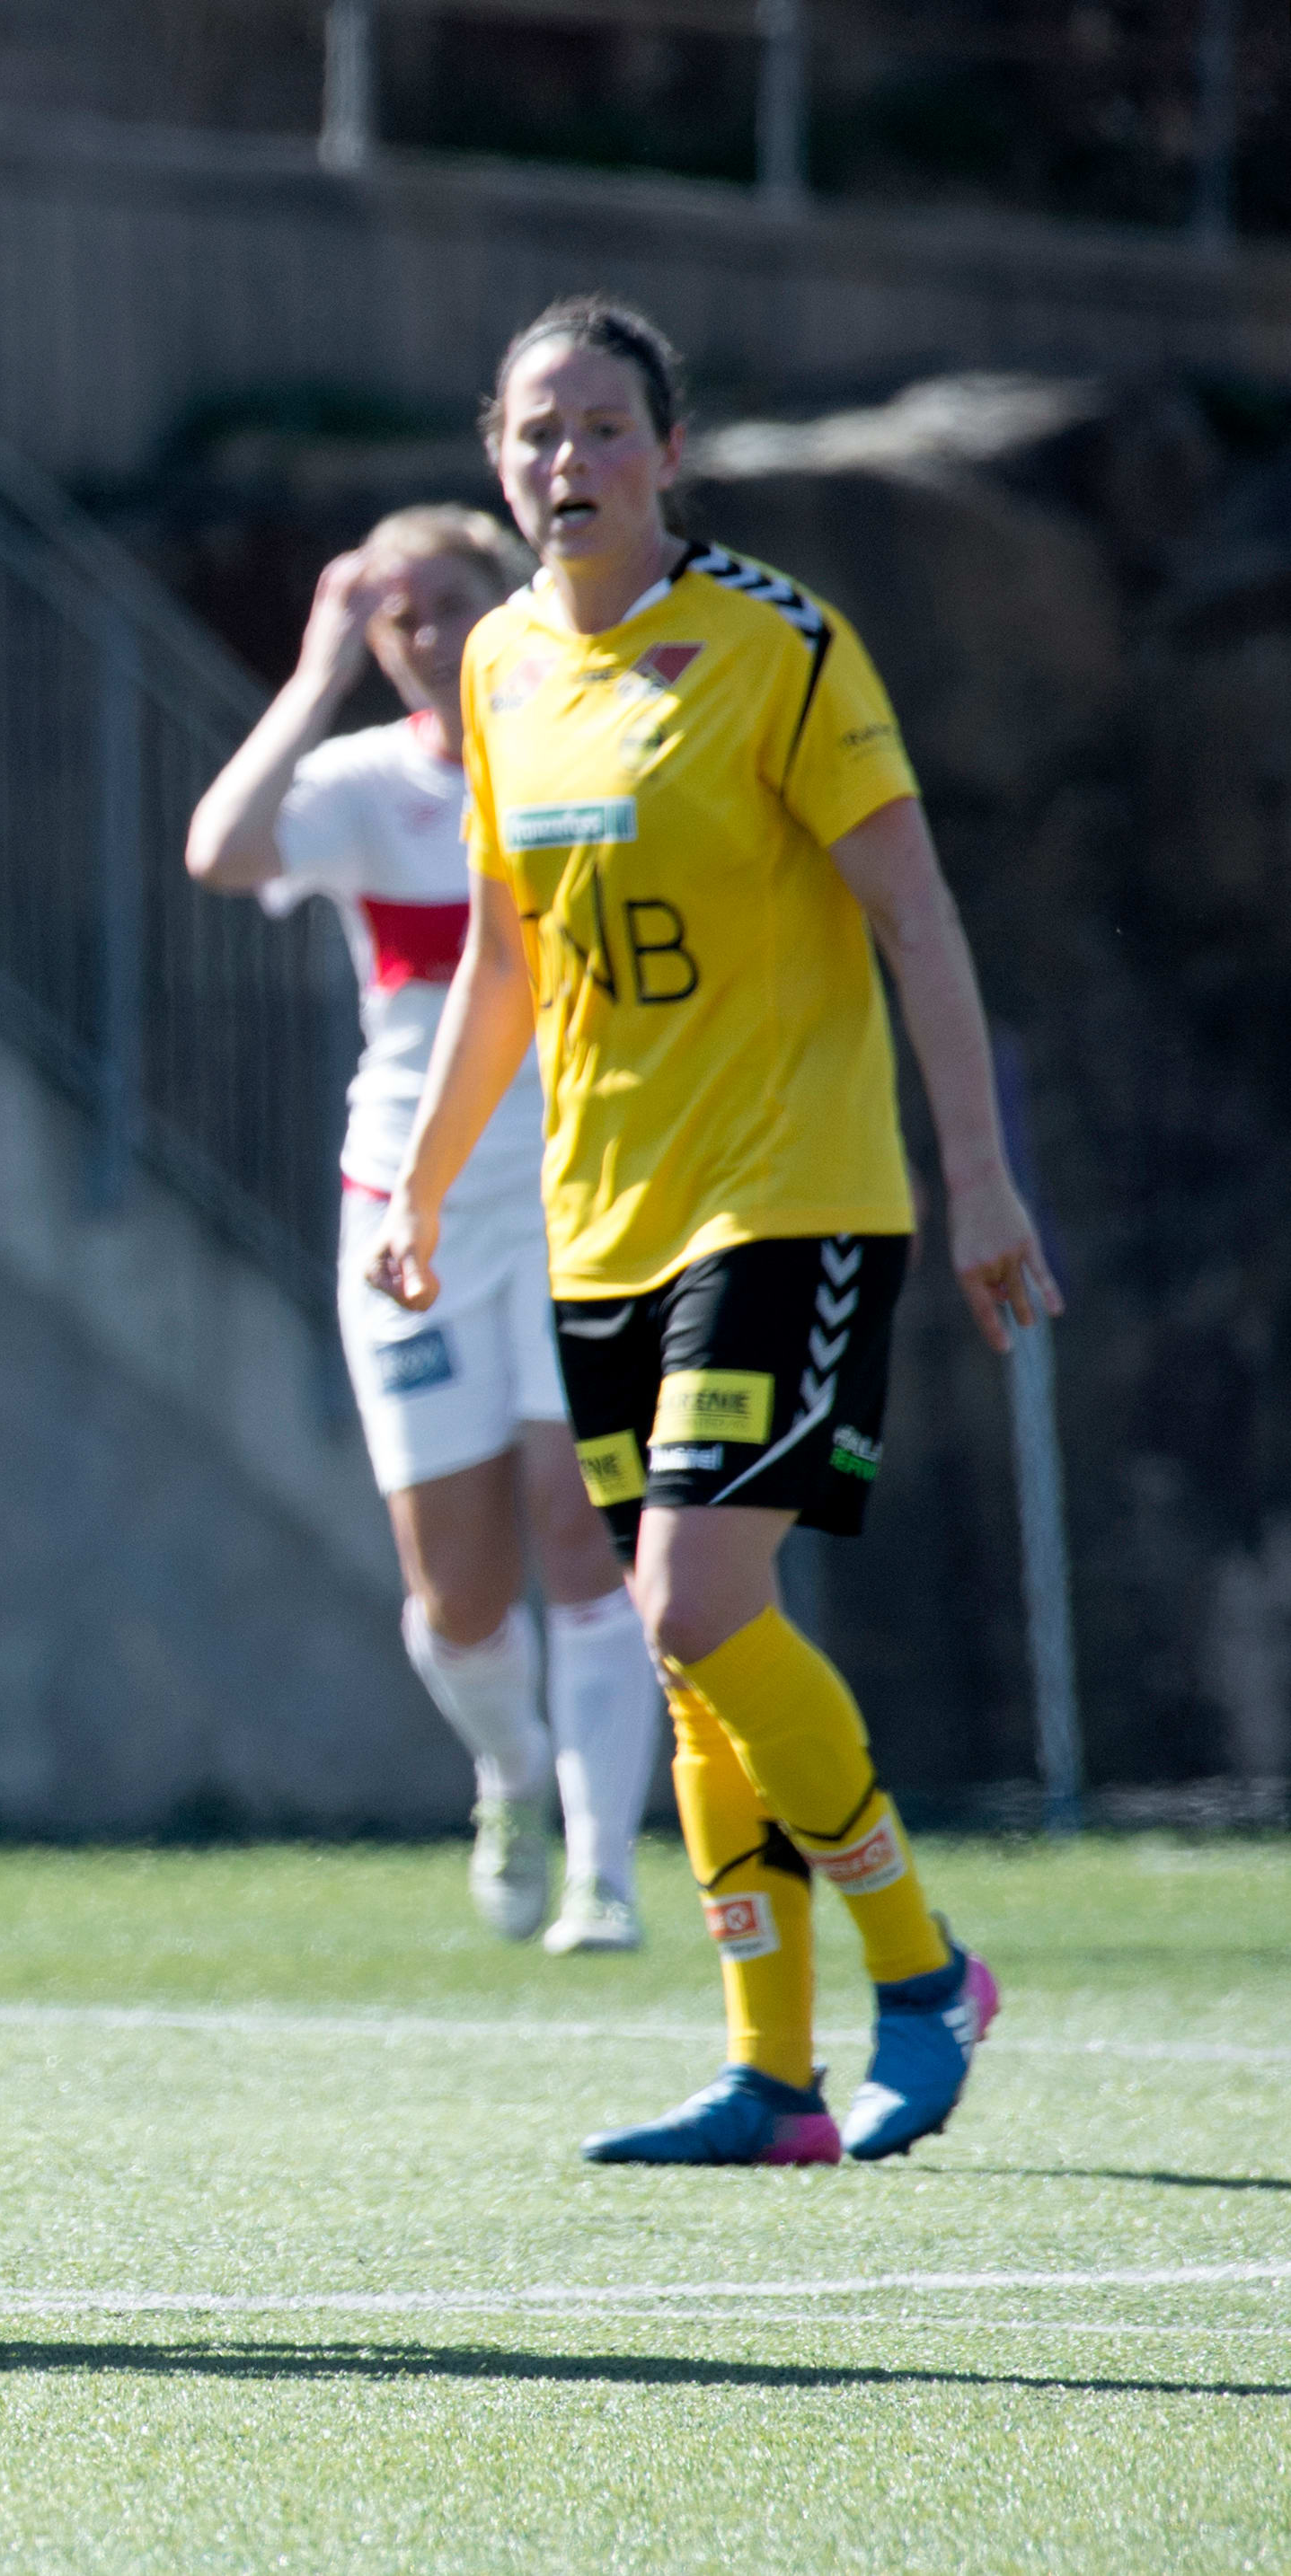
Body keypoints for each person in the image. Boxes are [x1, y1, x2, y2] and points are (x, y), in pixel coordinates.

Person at [372, 296, 1058, 2166]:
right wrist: (421, 1183)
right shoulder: (501, 663)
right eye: (535, 433)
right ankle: (769, 2076)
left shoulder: (779, 645)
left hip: (791, 1198)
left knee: (692, 1601)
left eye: (604, 428)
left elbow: (914, 914)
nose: (567, 462)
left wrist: (978, 1177)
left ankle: (920, 1969)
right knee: (686, 1656)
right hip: (601, 1220)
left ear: (668, 455)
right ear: (494, 458)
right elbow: (502, 960)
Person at [187, 507, 670, 1954]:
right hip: (406, 1210)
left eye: (446, 602)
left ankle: (603, 1868)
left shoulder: (583, 756)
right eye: (394, 615)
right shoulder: (361, 782)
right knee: (456, 1595)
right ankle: (510, 1774)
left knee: (584, 1539)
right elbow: (220, 850)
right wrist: (315, 668)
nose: (421, 635)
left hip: (579, 1200)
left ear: (505, 603)